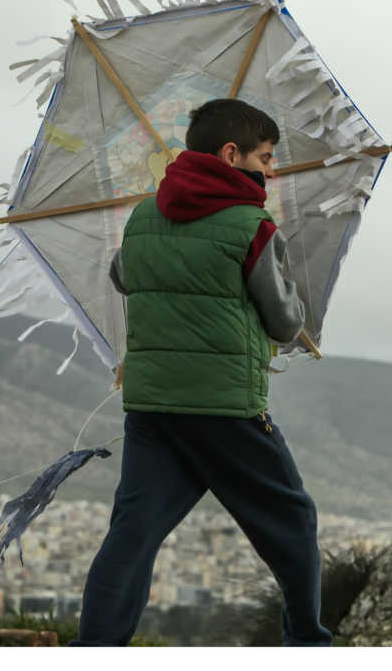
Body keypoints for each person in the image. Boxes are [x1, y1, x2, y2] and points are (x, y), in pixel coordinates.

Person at [70, 98, 332, 647]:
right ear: (230, 153)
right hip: (225, 412)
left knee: (134, 533)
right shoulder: (252, 226)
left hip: (151, 409)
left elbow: (123, 275)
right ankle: (309, 644)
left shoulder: (143, 218)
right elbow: (284, 323)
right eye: (264, 157)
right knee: (292, 524)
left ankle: (94, 649)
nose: (270, 169)